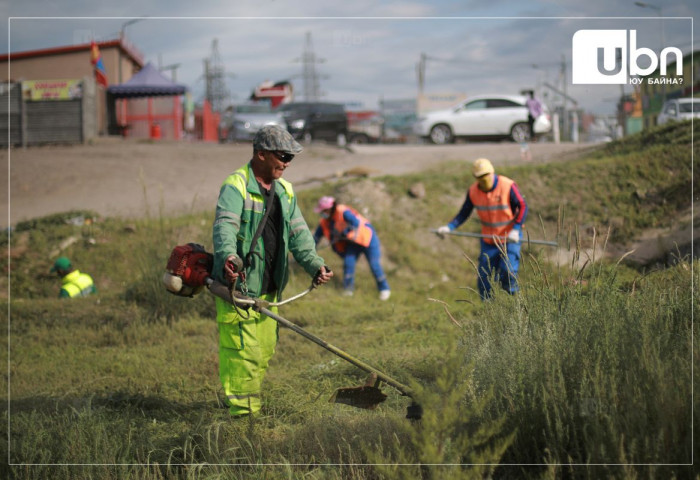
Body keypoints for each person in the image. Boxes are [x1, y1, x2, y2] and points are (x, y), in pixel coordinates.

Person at [212, 124, 333, 417]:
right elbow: (224, 228)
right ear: (261, 154)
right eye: (283, 156)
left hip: (270, 290)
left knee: (263, 352)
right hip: (238, 289)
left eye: (291, 157)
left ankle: (247, 407)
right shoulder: (236, 185)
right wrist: (228, 256)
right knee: (244, 355)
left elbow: (300, 235)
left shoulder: (286, 191)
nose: (287, 163)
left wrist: (315, 265)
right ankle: (243, 420)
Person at [436, 158, 528, 300]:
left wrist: (516, 228)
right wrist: (450, 227)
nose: (483, 179)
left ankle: (513, 300)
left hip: (510, 238)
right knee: (484, 277)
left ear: (492, 172)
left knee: (508, 271)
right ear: (475, 177)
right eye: (479, 176)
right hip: (489, 241)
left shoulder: (507, 185)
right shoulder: (473, 191)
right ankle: (488, 310)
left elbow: (522, 206)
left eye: (486, 174)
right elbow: (464, 212)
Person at [312, 196, 391, 301]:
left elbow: (356, 223)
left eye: (324, 210)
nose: (322, 213)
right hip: (353, 243)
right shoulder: (324, 222)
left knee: (374, 264)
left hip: (367, 239)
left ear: (330, 208)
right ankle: (348, 290)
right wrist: (311, 249)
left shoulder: (343, 212)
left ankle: (384, 289)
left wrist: (344, 232)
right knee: (348, 263)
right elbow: (316, 238)